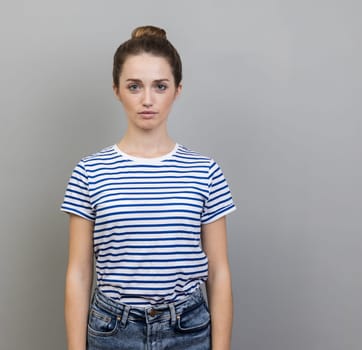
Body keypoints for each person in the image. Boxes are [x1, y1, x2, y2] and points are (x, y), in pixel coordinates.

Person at [61, 25, 236, 350]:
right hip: (113, 330)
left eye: (160, 86)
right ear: (116, 89)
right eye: (134, 86)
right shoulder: (89, 172)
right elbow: (79, 271)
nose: (147, 99)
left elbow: (219, 272)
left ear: (178, 89)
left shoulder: (205, 172)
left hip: (188, 329)